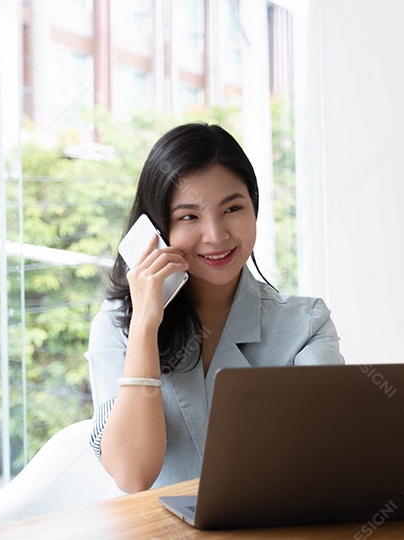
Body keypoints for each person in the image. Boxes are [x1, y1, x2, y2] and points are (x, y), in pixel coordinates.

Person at [86, 123, 344, 493]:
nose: (216, 235)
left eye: (232, 208)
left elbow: (328, 455)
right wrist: (145, 325)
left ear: (254, 207)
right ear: (157, 230)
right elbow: (132, 475)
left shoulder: (305, 326)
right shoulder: (118, 325)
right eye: (189, 216)